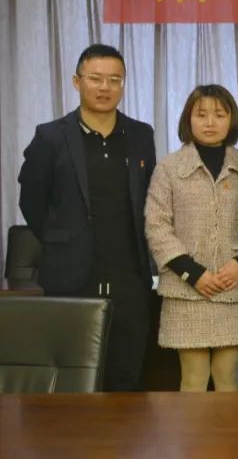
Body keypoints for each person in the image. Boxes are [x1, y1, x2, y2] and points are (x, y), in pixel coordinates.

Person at [18, 43, 157, 391]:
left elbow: (151, 197)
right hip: (70, 274)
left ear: (123, 84)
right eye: (95, 78)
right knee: (72, 382)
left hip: (130, 275)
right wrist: (61, 239)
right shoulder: (50, 136)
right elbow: (31, 200)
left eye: (114, 80)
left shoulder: (141, 134)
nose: (104, 87)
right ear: (77, 81)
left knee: (126, 376)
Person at [145, 85, 238, 392]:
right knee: (193, 377)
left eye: (219, 115)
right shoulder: (169, 168)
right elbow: (156, 225)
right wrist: (192, 273)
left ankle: (229, 429)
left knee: (228, 376)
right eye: (201, 114)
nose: (210, 122)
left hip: (233, 287)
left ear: (231, 120)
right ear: (188, 119)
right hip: (186, 290)